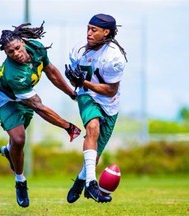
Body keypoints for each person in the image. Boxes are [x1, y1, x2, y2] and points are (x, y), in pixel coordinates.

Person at [0, 22, 81, 208]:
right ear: (6, 54)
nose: (16, 53)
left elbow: (52, 71)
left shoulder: (36, 48)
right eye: (10, 52)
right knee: (20, 139)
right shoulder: (15, 75)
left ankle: (8, 150)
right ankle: (20, 181)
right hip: (5, 99)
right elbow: (39, 107)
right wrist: (68, 126)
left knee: (15, 145)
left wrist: (71, 93)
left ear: (23, 42)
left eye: (17, 47)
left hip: (23, 96)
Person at [64, 13, 127, 203]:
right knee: (92, 128)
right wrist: (76, 82)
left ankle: (82, 180)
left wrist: (84, 82)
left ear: (106, 32)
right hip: (86, 97)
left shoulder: (115, 57)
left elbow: (110, 90)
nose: (88, 33)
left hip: (109, 103)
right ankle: (92, 184)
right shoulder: (78, 50)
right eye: (88, 28)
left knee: (94, 155)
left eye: (94, 30)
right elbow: (76, 78)